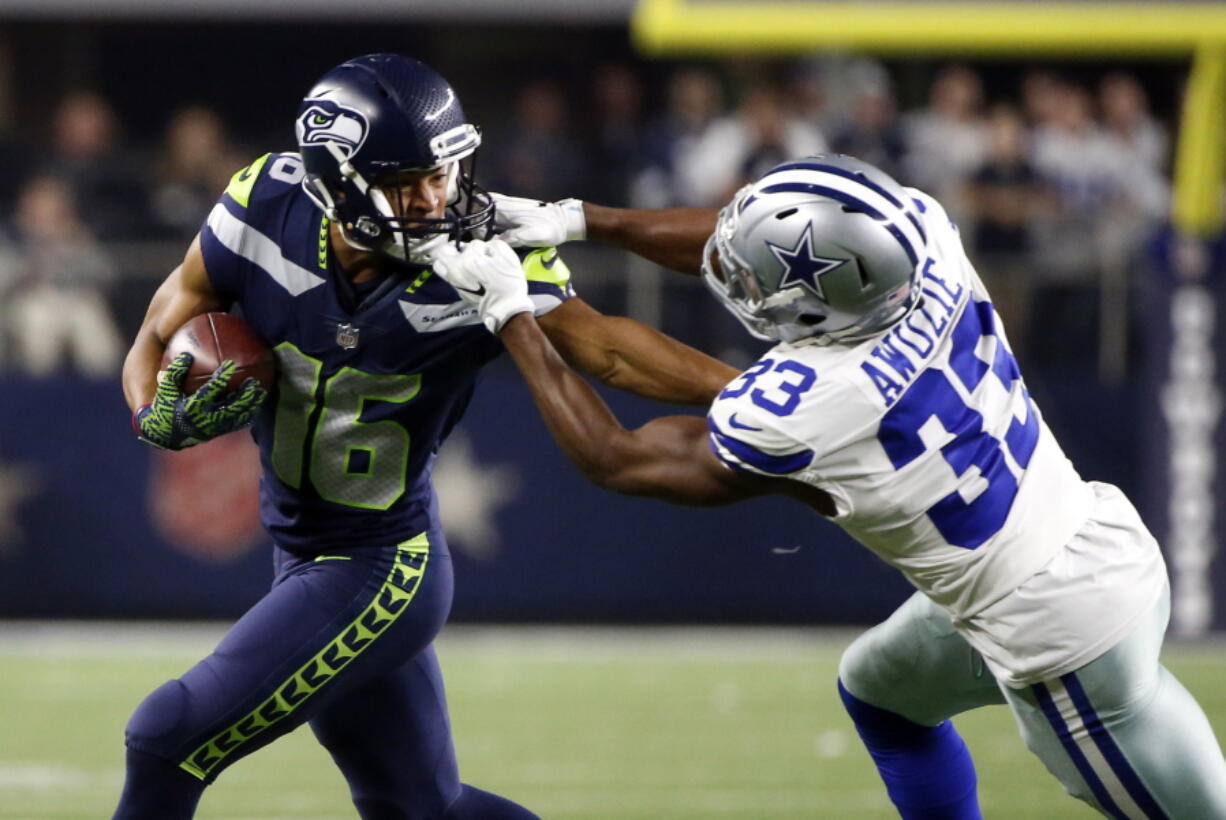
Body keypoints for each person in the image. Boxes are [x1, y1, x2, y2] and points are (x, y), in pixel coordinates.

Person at [440, 155, 1226, 819]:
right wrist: (576, 221)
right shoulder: (923, 237)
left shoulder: (818, 407)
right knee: (882, 692)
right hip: (1090, 532)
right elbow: (739, 245)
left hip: (1058, 630)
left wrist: (513, 314)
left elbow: (616, 455)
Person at [116, 53, 736, 819]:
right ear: (337, 186)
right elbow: (158, 324)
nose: (436, 198)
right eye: (408, 184)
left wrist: (743, 389)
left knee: (166, 734)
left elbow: (609, 348)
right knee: (418, 808)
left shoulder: (479, 257)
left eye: (441, 174)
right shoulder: (263, 204)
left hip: (380, 564)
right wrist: (152, 413)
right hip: (302, 554)